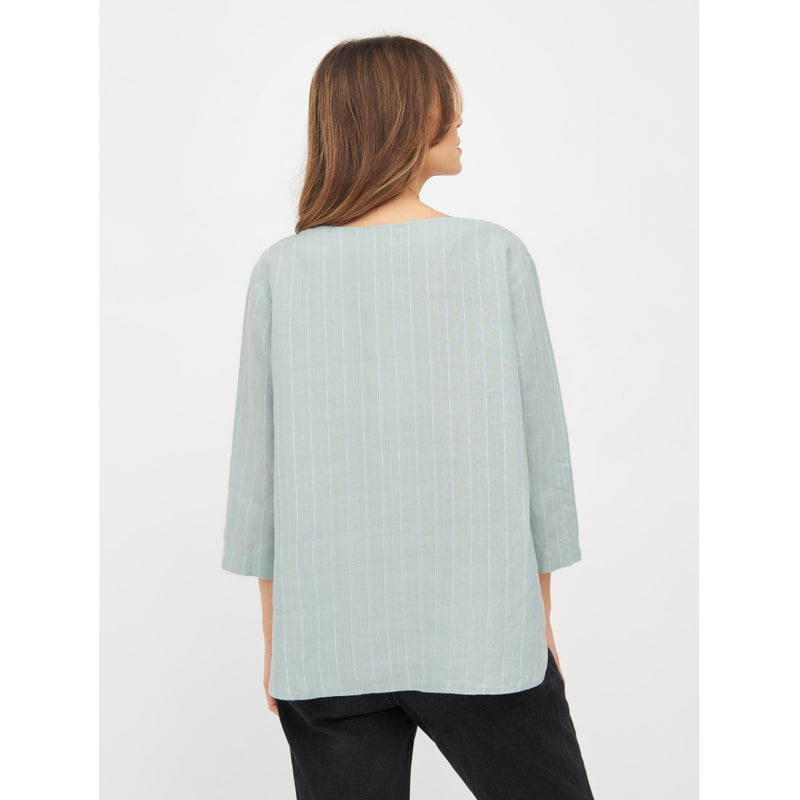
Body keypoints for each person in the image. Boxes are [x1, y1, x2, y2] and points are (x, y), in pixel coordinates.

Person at [221, 34, 595, 800]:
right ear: (397, 116)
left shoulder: (281, 272)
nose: (458, 116)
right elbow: (543, 460)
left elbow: (257, 482)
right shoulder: (494, 256)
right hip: (484, 635)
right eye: (441, 101)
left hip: (325, 644)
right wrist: (538, 617)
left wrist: (278, 637)